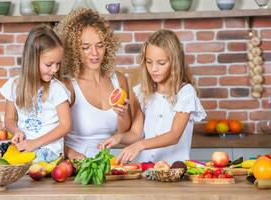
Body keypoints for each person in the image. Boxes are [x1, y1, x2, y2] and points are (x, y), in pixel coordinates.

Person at [102, 29, 206, 164]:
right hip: (145, 170)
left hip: (174, 171)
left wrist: (140, 145)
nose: (153, 69)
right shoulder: (144, 92)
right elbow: (135, 134)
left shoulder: (185, 93)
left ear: (175, 63)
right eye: (149, 62)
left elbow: (174, 135)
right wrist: (119, 137)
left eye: (161, 63)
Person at [54, 8, 131, 159]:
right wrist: (74, 155)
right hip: (73, 167)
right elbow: (50, 133)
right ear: (74, 50)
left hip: (104, 166)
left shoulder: (119, 80)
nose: (95, 53)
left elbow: (123, 130)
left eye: (100, 45)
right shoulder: (67, 86)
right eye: (86, 47)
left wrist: (122, 114)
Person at [0, 25, 71, 162]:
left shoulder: (57, 89)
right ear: (32, 60)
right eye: (49, 64)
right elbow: (9, 119)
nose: (55, 69)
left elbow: (65, 126)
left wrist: (35, 143)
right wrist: (16, 131)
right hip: (25, 147)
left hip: (48, 150)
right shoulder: (14, 86)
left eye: (58, 64)